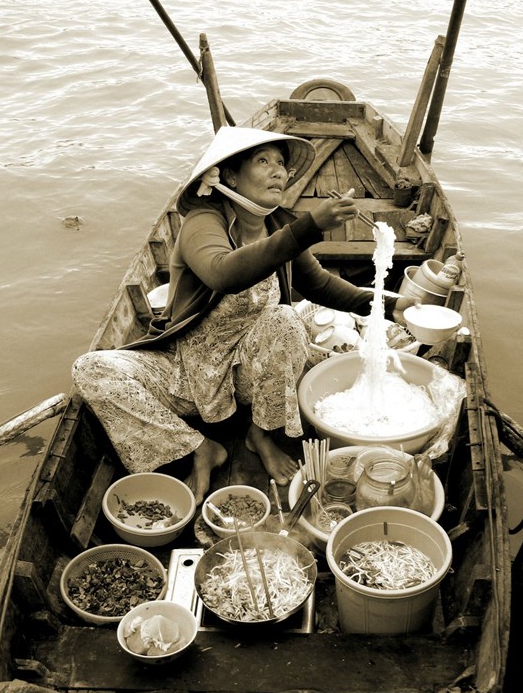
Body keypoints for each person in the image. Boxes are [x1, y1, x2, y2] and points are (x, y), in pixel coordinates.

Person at [72, 126, 418, 502]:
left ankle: (261, 434)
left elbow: (319, 285)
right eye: (263, 161)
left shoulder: (280, 227)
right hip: (184, 370)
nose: (279, 172)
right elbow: (225, 273)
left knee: (285, 320)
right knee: (91, 370)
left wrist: (391, 305)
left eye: (282, 163)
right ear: (230, 177)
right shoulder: (202, 222)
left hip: (248, 377)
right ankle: (197, 447)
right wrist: (309, 226)